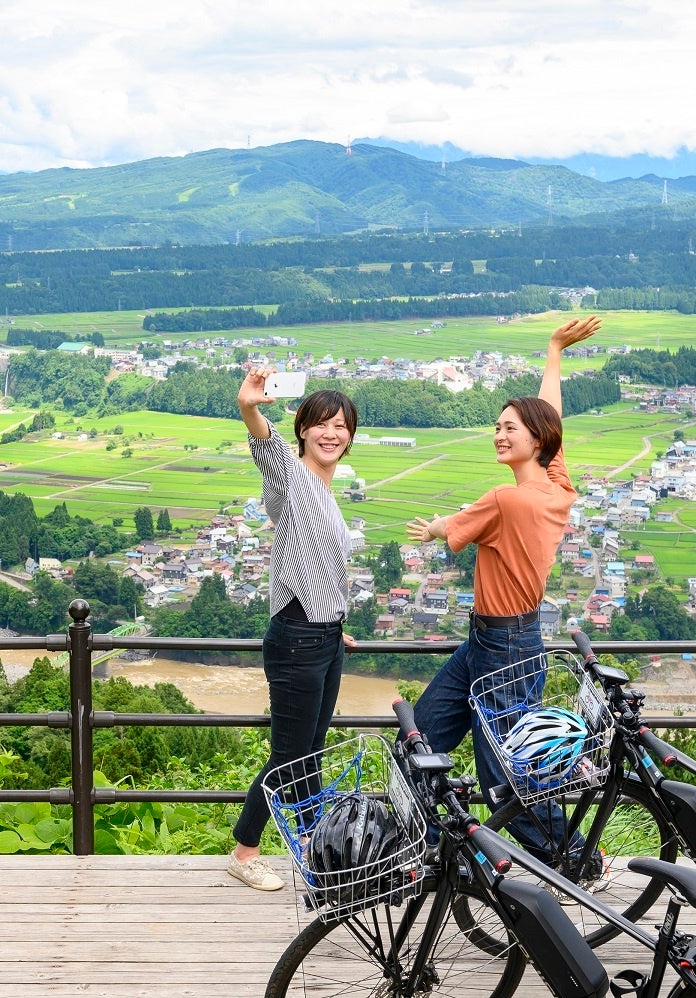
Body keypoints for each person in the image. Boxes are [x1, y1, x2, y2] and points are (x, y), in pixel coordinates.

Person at [405, 315, 601, 861]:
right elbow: (551, 415)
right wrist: (555, 351)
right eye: (498, 425)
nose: (499, 433)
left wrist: (438, 527)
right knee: (421, 738)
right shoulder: (557, 489)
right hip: (499, 642)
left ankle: (572, 860)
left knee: (507, 780)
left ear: (536, 441)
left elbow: (455, 526)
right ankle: (422, 847)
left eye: (509, 428)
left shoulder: (505, 499)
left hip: (503, 647)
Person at [227, 369, 359, 891]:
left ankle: (309, 843)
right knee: (288, 757)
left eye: (342, 426)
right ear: (303, 429)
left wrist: (335, 624)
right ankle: (245, 852)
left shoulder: (327, 491)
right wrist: (249, 407)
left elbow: (323, 567)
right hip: (297, 638)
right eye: (322, 424)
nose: (332, 433)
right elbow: (267, 447)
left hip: (324, 636)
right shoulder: (292, 478)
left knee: (312, 749)